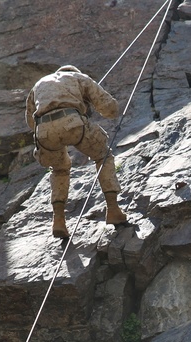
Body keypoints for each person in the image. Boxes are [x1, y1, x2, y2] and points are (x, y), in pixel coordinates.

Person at [25, 65, 128, 238]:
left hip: (43, 132)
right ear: (72, 72)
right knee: (103, 156)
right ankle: (113, 210)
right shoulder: (79, 77)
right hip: (73, 122)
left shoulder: (38, 85)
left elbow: (30, 122)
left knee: (59, 169)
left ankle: (59, 221)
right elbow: (109, 108)